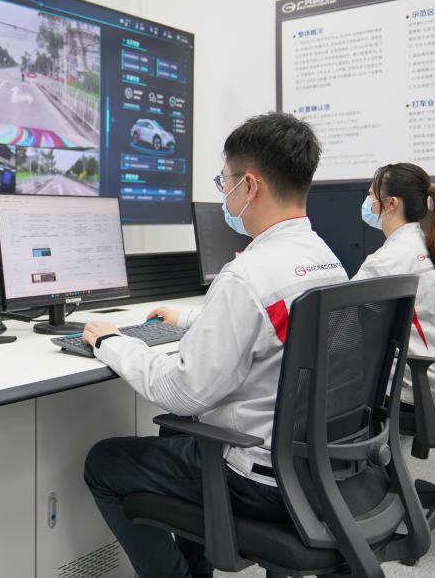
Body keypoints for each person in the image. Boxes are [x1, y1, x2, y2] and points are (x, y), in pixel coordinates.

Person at [81, 112, 347, 578]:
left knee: (104, 461)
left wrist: (111, 342)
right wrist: (188, 319)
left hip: (261, 482)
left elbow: (183, 391)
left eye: (224, 182)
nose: (224, 193)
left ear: (250, 185)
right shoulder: (326, 261)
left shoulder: (247, 275)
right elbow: (272, 322)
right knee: (179, 434)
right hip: (320, 470)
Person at [355, 162, 435, 411]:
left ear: (391, 204)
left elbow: (342, 320)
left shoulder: (387, 260)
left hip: (419, 390)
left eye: (371, 195)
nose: (367, 203)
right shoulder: (428, 243)